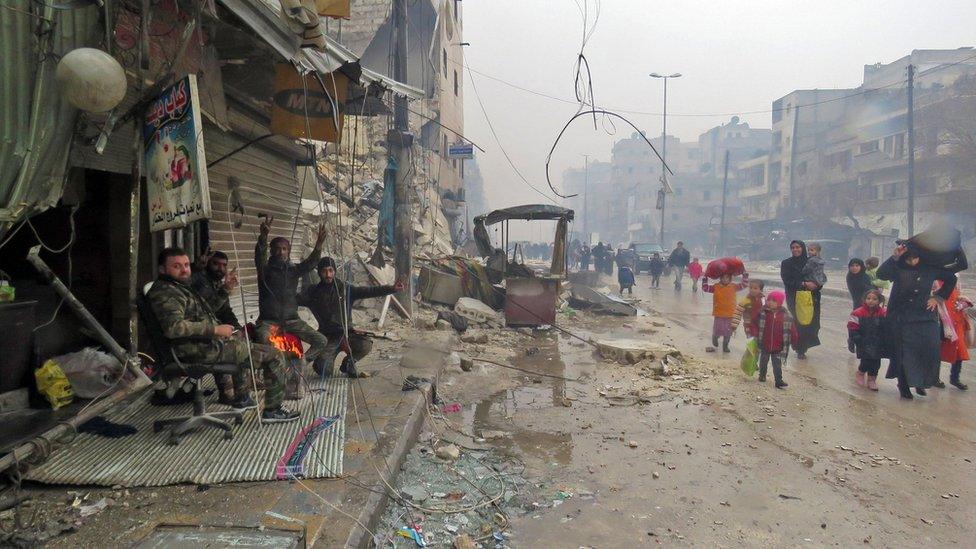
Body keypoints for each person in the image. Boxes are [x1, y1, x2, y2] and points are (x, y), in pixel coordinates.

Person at [148, 247, 299, 423]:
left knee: (240, 338)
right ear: (162, 270)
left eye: (186, 265)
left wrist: (225, 291)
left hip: (199, 345)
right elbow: (174, 328)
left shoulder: (179, 287)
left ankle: (242, 398)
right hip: (194, 350)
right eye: (176, 266)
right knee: (275, 355)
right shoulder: (166, 292)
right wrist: (215, 330)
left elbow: (207, 310)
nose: (184, 270)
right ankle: (272, 411)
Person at [298, 257, 403, 378]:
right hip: (328, 337)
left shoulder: (345, 289)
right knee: (323, 369)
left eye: (331, 270)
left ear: (335, 271)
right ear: (319, 272)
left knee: (365, 345)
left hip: (347, 334)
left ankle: (348, 363)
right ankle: (325, 361)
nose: (328, 275)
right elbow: (295, 300)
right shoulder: (313, 292)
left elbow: (369, 291)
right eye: (324, 271)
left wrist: (392, 288)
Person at [877, 243, 957, 399]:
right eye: (909, 259)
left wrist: (938, 297)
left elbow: (951, 278)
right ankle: (904, 385)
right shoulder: (897, 266)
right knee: (904, 353)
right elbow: (881, 274)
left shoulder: (929, 267)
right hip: (900, 316)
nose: (913, 262)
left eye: (915, 258)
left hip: (924, 316)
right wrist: (895, 257)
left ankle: (921, 381)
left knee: (928, 349)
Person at [254, 216, 330, 373]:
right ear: (272, 251)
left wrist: (318, 245)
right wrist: (263, 238)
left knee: (321, 340)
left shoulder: (294, 271)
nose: (281, 252)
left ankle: (301, 363)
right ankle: (273, 371)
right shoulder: (265, 271)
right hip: (269, 321)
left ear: (288, 251)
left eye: (284, 249)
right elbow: (259, 258)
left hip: (292, 320)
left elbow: (311, 263)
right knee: (262, 339)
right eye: (277, 249)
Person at [190, 248, 241, 405]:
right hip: (201, 334)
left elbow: (226, 310)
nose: (220, 268)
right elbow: (207, 310)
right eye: (215, 264)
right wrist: (225, 290)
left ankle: (241, 385)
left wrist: (238, 327)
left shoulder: (216, 282)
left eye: (223, 265)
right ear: (207, 264)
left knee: (241, 336)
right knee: (228, 344)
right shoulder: (200, 281)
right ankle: (227, 391)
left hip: (216, 327)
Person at [756, 290, 798, 389]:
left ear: (779, 302)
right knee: (763, 362)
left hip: (778, 346)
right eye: (769, 299)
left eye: (774, 300)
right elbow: (755, 322)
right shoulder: (763, 313)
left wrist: (795, 340)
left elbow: (792, 329)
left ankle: (778, 381)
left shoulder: (786, 315)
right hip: (765, 344)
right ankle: (762, 375)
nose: (770, 302)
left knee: (777, 365)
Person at [847, 289, 887, 391]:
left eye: (874, 299)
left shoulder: (883, 313)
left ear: (879, 300)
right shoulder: (857, 313)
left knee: (876, 362)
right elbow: (852, 327)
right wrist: (856, 338)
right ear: (864, 299)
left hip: (878, 342)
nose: (871, 301)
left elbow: (888, 327)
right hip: (863, 341)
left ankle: (872, 379)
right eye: (868, 298)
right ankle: (860, 373)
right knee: (866, 360)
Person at [702, 271, 750, 353]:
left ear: (730, 279)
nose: (725, 280)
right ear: (720, 278)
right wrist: (704, 280)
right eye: (723, 278)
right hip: (719, 313)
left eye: (727, 278)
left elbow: (744, 285)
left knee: (728, 331)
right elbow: (706, 288)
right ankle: (715, 337)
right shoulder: (716, 287)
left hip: (730, 313)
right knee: (718, 329)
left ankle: (725, 346)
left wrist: (745, 276)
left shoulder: (734, 286)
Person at [937, 282, 971, 390]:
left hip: (957, 319)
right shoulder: (936, 281)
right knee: (938, 350)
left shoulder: (955, 279)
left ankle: (955, 378)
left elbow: (959, 296)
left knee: (960, 351)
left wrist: (962, 304)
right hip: (944, 320)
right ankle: (935, 378)